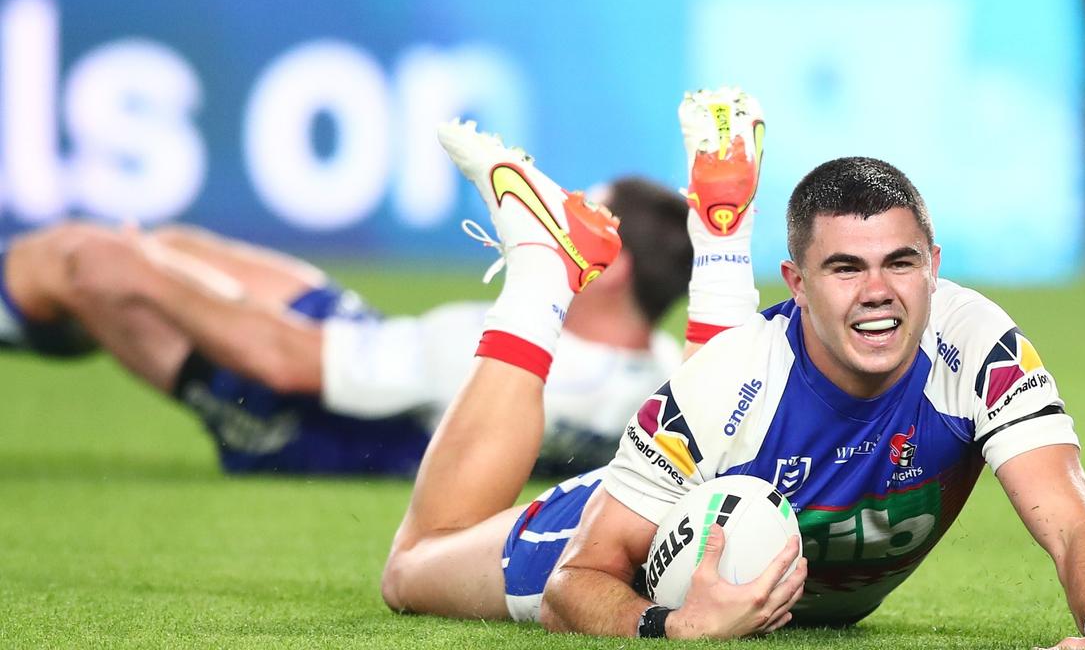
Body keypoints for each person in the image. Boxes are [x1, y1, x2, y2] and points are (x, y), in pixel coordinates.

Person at [381, 88, 1085, 650]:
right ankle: (542, 269)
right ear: (794, 284)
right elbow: (576, 580)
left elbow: (1073, 522)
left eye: (900, 263)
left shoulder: (976, 348)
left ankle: (723, 235)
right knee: (413, 568)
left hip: (726, 459)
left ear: (934, 265)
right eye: (845, 269)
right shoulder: (727, 378)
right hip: (644, 529)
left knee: (737, 405)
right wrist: (669, 627)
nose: (879, 294)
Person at [0, 175, 691, 476]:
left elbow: (283, 360)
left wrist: (133, 270)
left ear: (616, 268)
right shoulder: (665, 378)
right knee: (165, 249)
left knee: (86, 261)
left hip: (308, 417)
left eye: (583, 223)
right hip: (378, 367)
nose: (554, 219)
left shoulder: (487, 353)